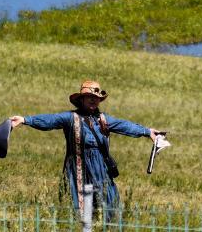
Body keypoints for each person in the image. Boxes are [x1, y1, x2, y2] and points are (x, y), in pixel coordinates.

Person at [9, 80, 160, 215]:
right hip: (78, 168)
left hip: (101, 168)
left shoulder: (103, 119)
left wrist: (147, 132)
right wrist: (24, 120)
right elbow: (50, 120)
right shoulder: (70, 118)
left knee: (109, 207)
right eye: (90, 97)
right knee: (80, 211)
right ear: (81, 99)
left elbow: (125, 126)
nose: (94, 100)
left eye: (97, 98)